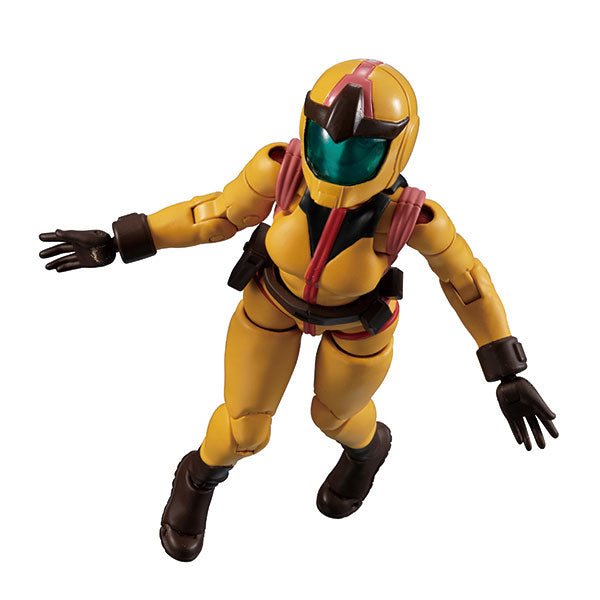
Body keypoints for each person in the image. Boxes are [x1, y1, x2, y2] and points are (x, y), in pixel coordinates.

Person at [39, 59, 558, 562]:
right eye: (328, 139)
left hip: (358, 325)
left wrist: (506, 369)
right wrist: (121, 240)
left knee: (336, 417)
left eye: (361, 148)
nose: (339, 158)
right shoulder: (280, 171)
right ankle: (196, 478)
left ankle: (368, 450)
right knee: (243, 429)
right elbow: (213, 215)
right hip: (272, 302)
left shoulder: (414, 217)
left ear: (397, 147)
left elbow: (466, 282)